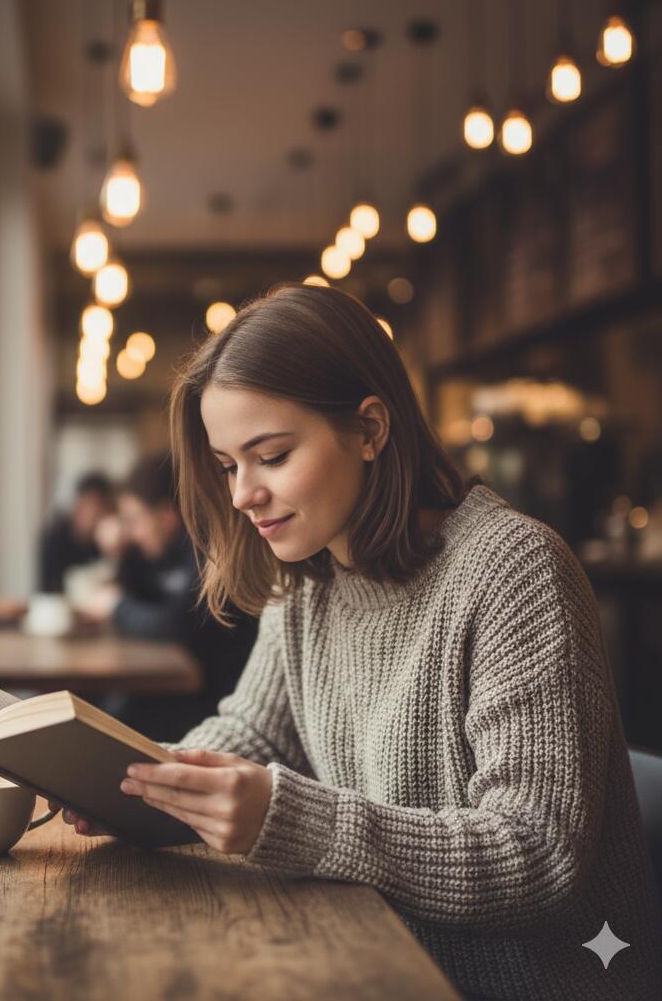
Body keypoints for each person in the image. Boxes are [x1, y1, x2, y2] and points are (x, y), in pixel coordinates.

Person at [56, 285, 662, 1001]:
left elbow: (534, 855)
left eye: (271, 456)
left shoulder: (514, 572)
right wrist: (144, 787)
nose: (243, 494)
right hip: (369, 962)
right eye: (227, 467)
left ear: (370, 429)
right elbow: (253, 732)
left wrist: (293, 821)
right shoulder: (310, 580)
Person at [81, 454, 257, 741]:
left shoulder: (209, 547)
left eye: (135, 520)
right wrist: (122, 554)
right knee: (109, 711)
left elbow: (178, 625)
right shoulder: (164, 551)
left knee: (113, 720)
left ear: (165, 515)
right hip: (187, 686)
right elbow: (143, 595)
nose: (132, 533)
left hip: (217, 697)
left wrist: (117, 607)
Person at [37, 471, 115, 594]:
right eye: (92, 508)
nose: (97, 517)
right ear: (79, 504)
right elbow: (48, 587)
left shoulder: (110, 540)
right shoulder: (56, 537)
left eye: (103, 511)